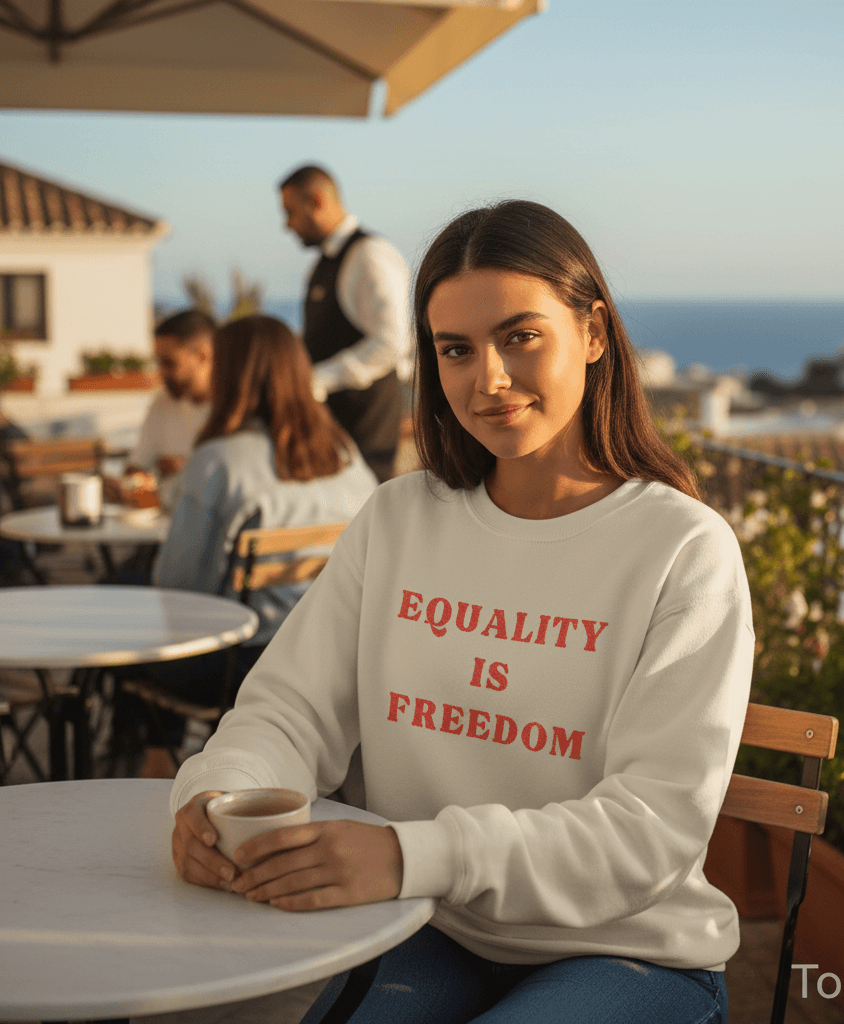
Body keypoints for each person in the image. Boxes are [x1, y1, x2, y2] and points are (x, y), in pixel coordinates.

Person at [168, 201, 753, 1024]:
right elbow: (288, 713)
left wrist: (415, 854)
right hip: (424, 923)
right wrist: (218, 796)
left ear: (592, 331)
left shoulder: (683, 549)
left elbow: (652, 830)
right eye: (456, 349)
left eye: (521, 337)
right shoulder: (398, 518)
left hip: (626, 950)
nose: (490, 380)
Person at [131, 313, 378, 779]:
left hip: (241, 665)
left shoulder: (218, 461)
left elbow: (178, 589)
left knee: (124, 616)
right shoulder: (345, 454)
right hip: (335, 661)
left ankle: (153, 761)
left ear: (227, 376)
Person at [279, 164, 413, 483]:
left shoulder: (370, 255)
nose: (286, 225)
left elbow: (391, 343)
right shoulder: (325, 262)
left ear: (316, 201)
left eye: (290, 211)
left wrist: (318, 380)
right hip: (338, 426)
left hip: (367, 424)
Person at [121, 309, 215, 503]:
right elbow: (136, 468)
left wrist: (188, 468)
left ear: (203, 354)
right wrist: (128, 486)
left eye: (169, 363)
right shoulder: (162, 404)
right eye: (158, 362)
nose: (160, 373)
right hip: (160, 522)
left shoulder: (234, 409)